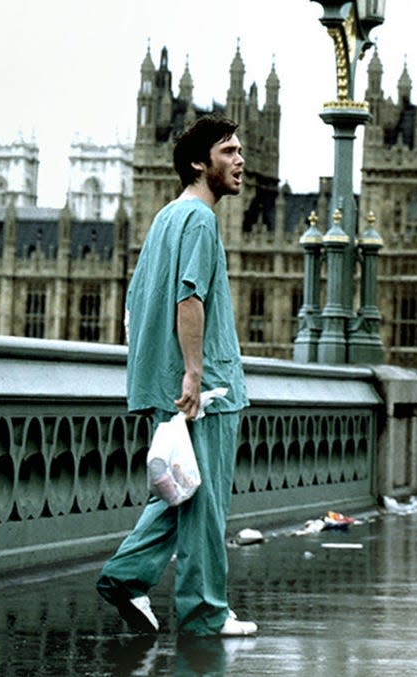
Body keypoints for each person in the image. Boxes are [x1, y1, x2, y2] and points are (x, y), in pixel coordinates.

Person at [96, 116, 257, 637]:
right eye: (228, 151)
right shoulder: (202, 221)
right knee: (205, 501)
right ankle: (204, 612)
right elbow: (191, 298)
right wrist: (193, 372)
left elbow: (138, 301)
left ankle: (125, 577)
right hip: (204, 389)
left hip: (166, 383)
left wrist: (159, 376)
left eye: (240, 151)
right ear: (198, 163)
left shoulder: (165, 218)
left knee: (179, 489)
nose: (239, 161)